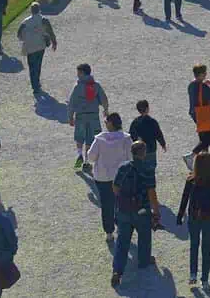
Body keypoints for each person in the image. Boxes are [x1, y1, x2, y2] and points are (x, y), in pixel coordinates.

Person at [111, 141, 160, 287]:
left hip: (124, 210)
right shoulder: (148, 169)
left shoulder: (123, 167)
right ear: (144, 153)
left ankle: (117, 271)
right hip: (142, 210)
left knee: (122, 241)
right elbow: (151, 193)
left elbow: (115, 188)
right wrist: (156, 211)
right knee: (144, 236)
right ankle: (144, 260)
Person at [176, 150, 210, 288]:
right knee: (206, 248)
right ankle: (205, 279)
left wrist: (180, 215)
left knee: (194, 245)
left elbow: (184, 199)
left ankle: (193, 274)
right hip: (209, 218)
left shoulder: (191, 180)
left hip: (194, 217)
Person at [86, 113, 134, 241]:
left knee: (106, 205)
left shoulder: (99, 139)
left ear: (111, 124)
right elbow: (131, 157)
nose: (105, 123)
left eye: (106, 121)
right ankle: (121, 226)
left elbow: (91, 157)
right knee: (121, 203)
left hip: (103, 178)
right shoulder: (126, 138)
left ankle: (109, 232)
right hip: (121, 177)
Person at [69, 63, 109, 172]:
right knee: (90, 138)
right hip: (93, 116)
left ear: (82, 73)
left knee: (79, 136)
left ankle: (79, 154)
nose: (77, 75)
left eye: (78, 72)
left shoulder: (77, 86)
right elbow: (104, 99)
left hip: (81, 116)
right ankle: (87, 161)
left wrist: (70, 117)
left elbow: (71, 103)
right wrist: (106, 110)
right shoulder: (96, 85)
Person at [16, 2, 58, 97]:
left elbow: (19, 34)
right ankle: (36, 84)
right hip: (40, 46)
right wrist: (54, 42)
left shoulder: (25, 21)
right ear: (39, 10)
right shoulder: (44, 20)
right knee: (38, 65)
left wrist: (25, 39)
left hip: (29, 47)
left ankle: (35, 86)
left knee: (32, 67)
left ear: (31, 11)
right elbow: (50, 32)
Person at [186, 65, 210, 167]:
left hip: (195, 113)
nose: (206, 74)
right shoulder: (203, 87)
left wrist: (204, 83)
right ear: (200, 74)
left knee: (203, 137)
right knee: (209, 138)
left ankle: (206, 161)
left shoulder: (192, 84)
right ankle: (191, 155)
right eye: (204, 73)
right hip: (205, 114)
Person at [129, 100, 167, 173]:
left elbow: (132, 135)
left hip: (139, 151)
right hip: (151, 149)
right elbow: (158, 134)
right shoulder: (152, 121)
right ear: (147, 109)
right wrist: (163, 144)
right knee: (151, 169)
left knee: (140, 169)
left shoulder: (135, 122)